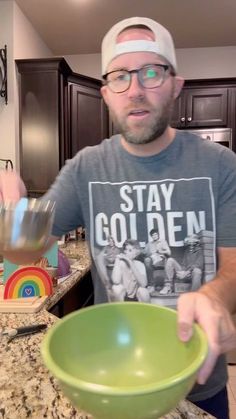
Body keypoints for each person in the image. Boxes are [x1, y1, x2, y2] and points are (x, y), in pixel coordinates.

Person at [0, 16, 236, 419]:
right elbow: (23, 253)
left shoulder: (220, 165)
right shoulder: (86, 168)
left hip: (198, 382)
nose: (137, 90)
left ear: (176, 85)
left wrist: (214, 296)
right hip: (118, 375)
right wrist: (15, 210)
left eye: (151, 72)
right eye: (121, 76)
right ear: (106, 93)